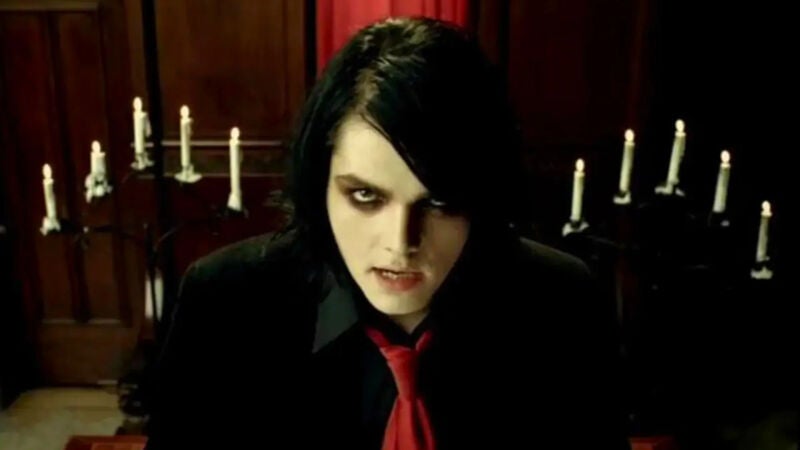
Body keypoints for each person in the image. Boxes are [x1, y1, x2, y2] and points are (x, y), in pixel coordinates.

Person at [145, 17, 628, 450]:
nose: (400, 242)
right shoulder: (225, 303)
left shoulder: (562, 303)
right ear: (320, 183)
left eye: (438, 202)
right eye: (365, 196)